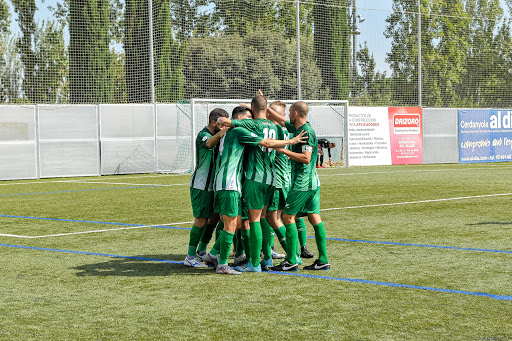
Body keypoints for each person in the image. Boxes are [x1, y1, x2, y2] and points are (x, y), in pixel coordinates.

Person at [206, 105, 307, 275]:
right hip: (235, 182)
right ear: (239, 120)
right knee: (238, 223)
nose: (250, 121)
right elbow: (266, 142)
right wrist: (291, 142)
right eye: (247, 118)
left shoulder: (228, 133)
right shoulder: (241, 131)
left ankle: (216, 255)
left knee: (239, 222)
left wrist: (220, 131)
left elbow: (209, 143)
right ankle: (226, 263)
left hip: (230, 181)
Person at [266, 101, 331, 271]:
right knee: (314, 218)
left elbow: (306, 158)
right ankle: (323, 259)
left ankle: (291, 260)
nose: (287, 115)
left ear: (295, 113)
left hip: (303, 183)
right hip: (313, 183)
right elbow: (281, 120)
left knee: (287, 217)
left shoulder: (306, 132)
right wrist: (264, 106)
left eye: (290, 113)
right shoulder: (298, 128)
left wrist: (283, 149)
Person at [184, 108, 229, 268]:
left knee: (214, 217)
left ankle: (201, 251)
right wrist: (220, 134)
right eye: (222, 124)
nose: (225, 126)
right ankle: (190, 256)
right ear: (213, 122)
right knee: (201, 220)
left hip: (213, 186)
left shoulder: (218, 136)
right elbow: (208, 144)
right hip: (201, 185)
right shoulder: (204, 134)